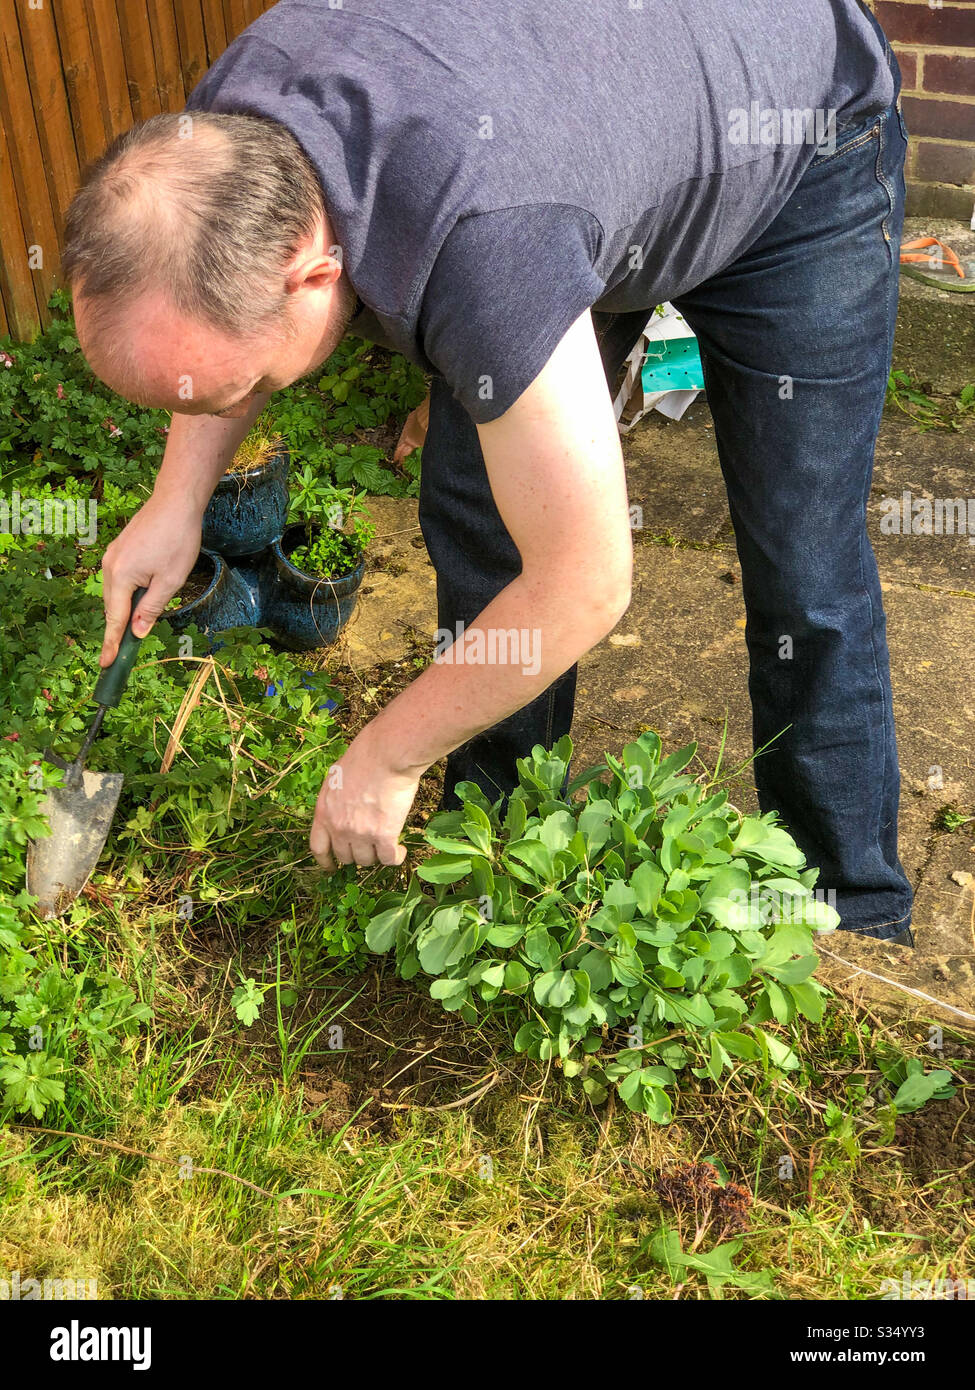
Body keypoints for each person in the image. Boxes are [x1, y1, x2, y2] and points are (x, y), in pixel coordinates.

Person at [62, 0, 913, 943]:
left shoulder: (487, 242)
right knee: (486, 520)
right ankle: (497, 858)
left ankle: (851, 918)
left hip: (796, 137)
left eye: (241, 390)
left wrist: (384, 757)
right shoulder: (221, 146)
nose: (223, 411)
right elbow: (211, 336)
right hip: (586, 140)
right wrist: (176, 498)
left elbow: (587, 580)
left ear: (310, 270)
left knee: (802, 561)